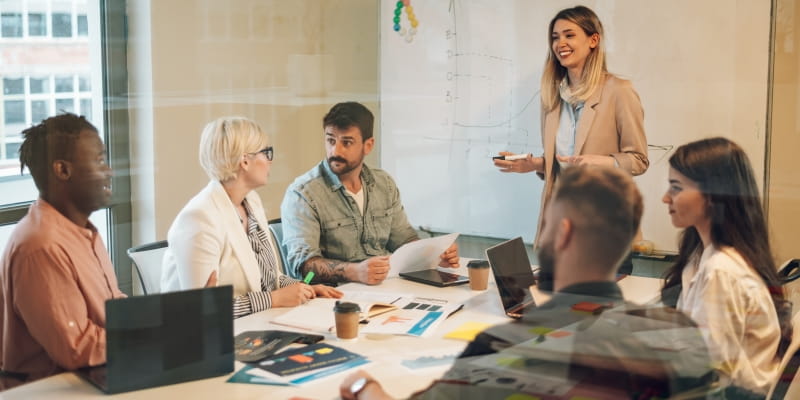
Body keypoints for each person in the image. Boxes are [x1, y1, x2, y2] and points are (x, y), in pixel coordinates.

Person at [340, 166, 713, 400]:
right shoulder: (678, 333)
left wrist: (364, 388)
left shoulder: (504, 348)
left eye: (546, 226)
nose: (542, 239)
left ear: (563, 234)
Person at [492, 5, 648, 246]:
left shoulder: (618, 91)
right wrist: (534, 164)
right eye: (555, 37)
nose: (560, 43)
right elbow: (563, 161)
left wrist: (601, 161)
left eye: (569, 35)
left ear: (593, 40)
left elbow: (639, 159)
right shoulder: (552, 97)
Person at [161, 117, 341, 319]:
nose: (270, 160)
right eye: (266, 153)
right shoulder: (199, 218)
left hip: (260, 324)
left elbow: (269, 278)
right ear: (245, 161)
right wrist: (273, 299)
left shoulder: (250, 201)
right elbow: (201, 309)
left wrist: (304, 288)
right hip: (210, 340)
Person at [0, 113, 125, 390]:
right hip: (52, 390)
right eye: (100, 160)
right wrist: (157, 334)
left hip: (90, 380)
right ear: (63, 171)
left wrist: (176, 312)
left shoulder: (82, 231)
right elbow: (77, 347)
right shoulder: (41, 245)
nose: (109, 171)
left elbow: (113, 309)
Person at [661, 137, 792, 395]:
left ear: (712, 196)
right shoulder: (710, 256)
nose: (666, 198)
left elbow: (709, 374)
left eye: (676, 188)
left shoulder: (721, 270)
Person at [281, 102, 459, 285]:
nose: (336, 151)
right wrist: (354, 272)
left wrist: (433, 256)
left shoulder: (384, 184)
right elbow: (303, 268)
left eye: (347, 142)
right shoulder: (303, 194)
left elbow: (404, 241)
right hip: (332, 298)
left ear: (368, 145)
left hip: (385, 289)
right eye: (331, 140)